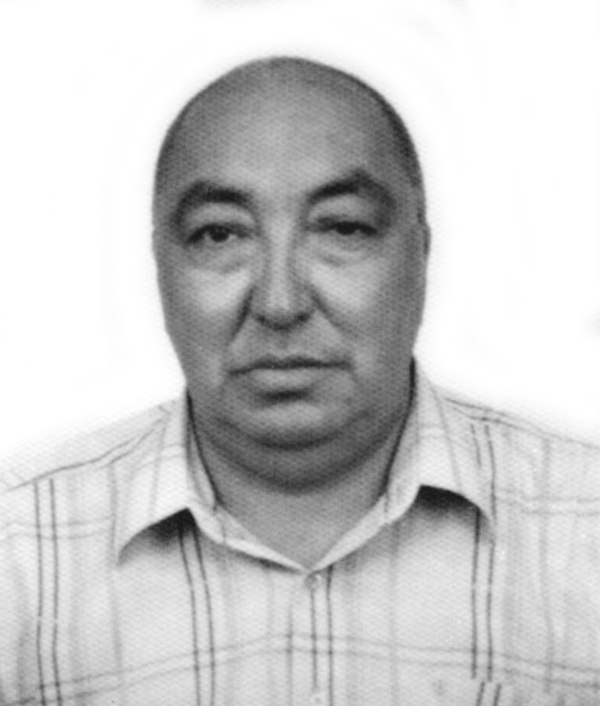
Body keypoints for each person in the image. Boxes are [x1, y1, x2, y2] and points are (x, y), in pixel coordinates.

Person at [0, 57, 598, 706]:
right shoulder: (19, 559)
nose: (280, 303)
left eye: (342, 228)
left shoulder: (585, 534)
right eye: (220, 234)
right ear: (160, 267)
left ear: (421, 254)